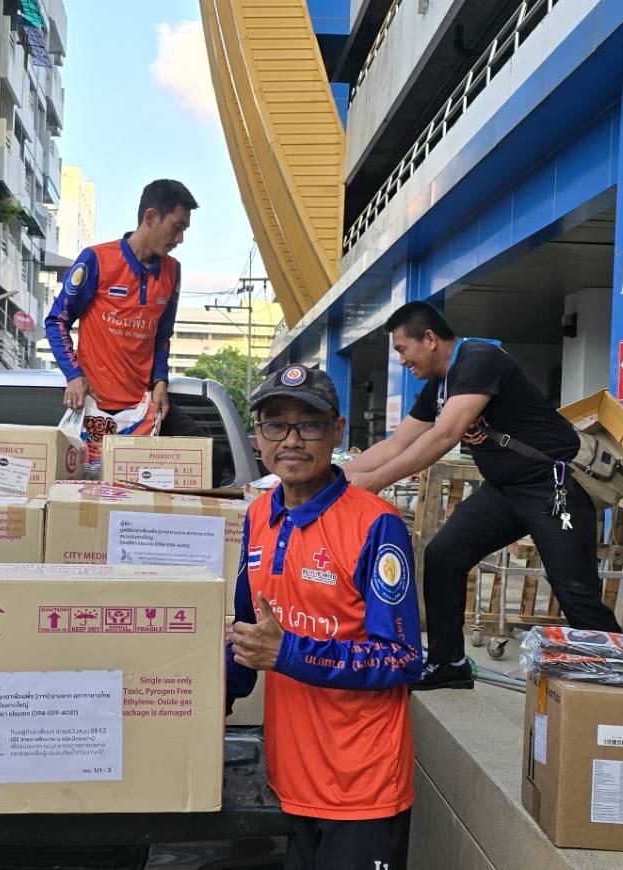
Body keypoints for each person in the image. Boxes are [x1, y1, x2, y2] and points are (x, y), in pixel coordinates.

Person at [346, 302, 623, 691]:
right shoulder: (439, 387)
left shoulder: (479, 358)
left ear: (429, 339)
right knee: (443, 556)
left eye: (402, 349)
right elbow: (397, 444)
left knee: (576, 592)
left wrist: (374, 482)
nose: (402, 360)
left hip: (552, 486)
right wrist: (334, 479)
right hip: (504, 491)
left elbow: (445, 435)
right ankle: (448, 663)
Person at [227, 364, 424, 870]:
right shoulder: (258, 515)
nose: (291, 440)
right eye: (276, 424)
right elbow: (248, 635)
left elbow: (402, 658)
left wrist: (290, 652)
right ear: (258, 436)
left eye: (309, 424)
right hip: (291, 777)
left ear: (337, 432)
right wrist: (201, 704)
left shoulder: (375, 524)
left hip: (362, 787)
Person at [45, 179, 230, 484]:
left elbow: (162, 335)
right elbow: (57, 320)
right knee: (93, 484)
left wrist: (160, 381)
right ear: (151, 217)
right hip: (95, 408)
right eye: (177, 227)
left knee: (210, 458)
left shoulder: (172, 272)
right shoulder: (97, 260)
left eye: (184, 230)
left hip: (145, 410)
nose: (180, 238)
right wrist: (74, 375)